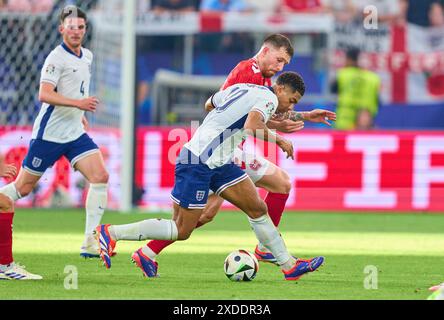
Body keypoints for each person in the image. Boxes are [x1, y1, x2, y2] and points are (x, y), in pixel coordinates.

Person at [96, 72, 331, 281]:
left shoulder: (245, 88)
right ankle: (112, 233)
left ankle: (289, 265)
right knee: (182, 229)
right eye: (291, 100)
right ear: (279, 89)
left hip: (219, 162)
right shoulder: (267, 97)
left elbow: (211, 103)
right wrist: (279, 139)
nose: (289, 106)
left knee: (258, 208)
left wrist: (304, 116)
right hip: (199, 161)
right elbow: (251, 125)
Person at [139, 34, 335, 277]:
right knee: (205, 213)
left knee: (280, 184)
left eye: (284, 64)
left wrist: (303, 116)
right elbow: (230, 113)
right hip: (221, 150)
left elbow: (248, 113)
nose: (279, 67)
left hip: (230, 148)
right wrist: (278, 130)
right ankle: (145, 250)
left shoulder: (264, 81)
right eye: (279, 59)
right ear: (265, 51)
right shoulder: (247, 73)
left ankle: (266, 248)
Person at [0, 5, 109, 276]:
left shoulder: (88, 56)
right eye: (70, 27)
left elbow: (77, 89)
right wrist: (79, 103)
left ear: (85, 30)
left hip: (74, 133)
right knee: (21, 189)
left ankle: (90, 240)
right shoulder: (55, 59)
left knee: (100, 175)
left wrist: (80, 113)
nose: (75, 32)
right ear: (61, 29)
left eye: (80, 27)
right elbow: (45, 94)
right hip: (49, 135)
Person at [332, 47, 380, 130]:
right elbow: (378, 101)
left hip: (344, 122)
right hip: (366, 122)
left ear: (349, 59)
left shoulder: (342, 74)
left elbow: (333, 90)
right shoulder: (373, 78)